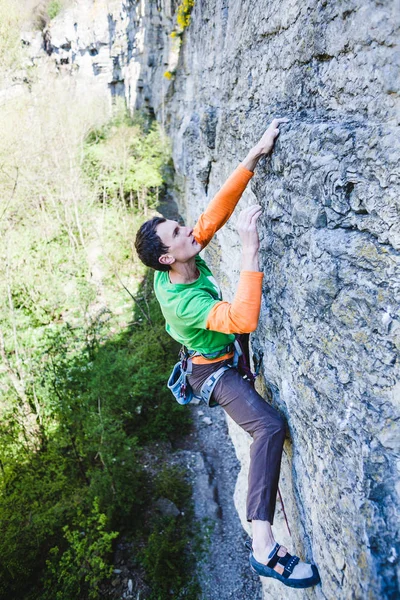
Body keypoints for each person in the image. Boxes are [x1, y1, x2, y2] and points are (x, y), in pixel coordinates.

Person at [134, 119, 320, 589]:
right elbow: (241, 319)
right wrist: (250, 247)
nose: (188, 231)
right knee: (269, 425)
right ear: (166, 258)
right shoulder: (184, 300)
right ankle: (263, 548)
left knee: (267, 425)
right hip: (211, 372)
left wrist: (253, 156)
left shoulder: (174, 265)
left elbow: (210, 218)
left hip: (219, 357)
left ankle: (264, 521)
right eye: (178, 233)